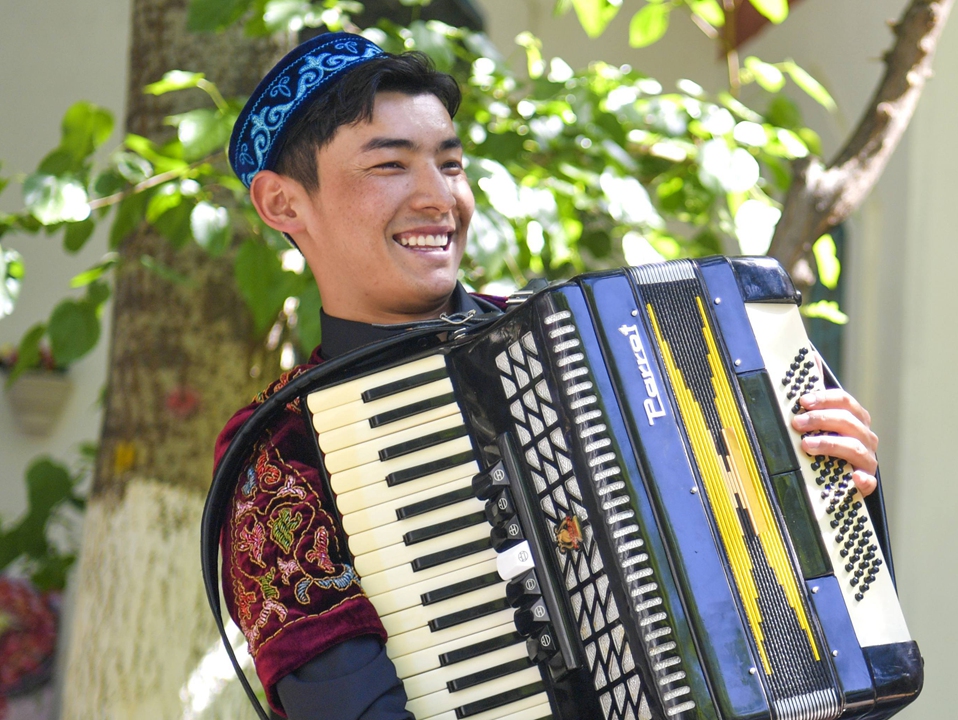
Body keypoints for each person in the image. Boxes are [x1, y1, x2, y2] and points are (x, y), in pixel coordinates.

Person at [214, 31, 882, 720]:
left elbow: (822, 643)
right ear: (283, 204)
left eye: (451, 164)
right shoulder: (278, 451)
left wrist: (833, 481)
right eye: (389, 166)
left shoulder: (594, 332)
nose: (438, 198)